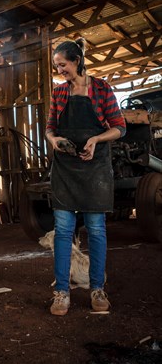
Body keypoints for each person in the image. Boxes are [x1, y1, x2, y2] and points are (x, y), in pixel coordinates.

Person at [45, 37, 126, 316]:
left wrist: (96, 139)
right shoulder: (59, 93)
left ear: (76, 61)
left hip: (95, 168)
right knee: (64, 231)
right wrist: (55, 141)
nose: (60, 71)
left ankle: (97, 288)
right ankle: (62, 293)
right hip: (66, 169)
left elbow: (119, 127)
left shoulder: (101, 89)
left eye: (63, 65)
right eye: (57, 66)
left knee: (96, 231)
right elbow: (50, 128)